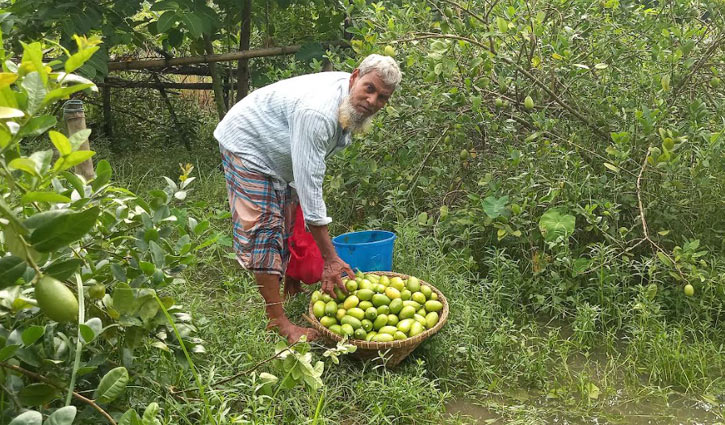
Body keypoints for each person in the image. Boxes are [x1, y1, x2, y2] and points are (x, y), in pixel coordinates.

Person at [214, 54, 402, 343]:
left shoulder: (345, 103)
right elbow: (310, 184)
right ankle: (277, 322)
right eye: (369, 88)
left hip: (279, 150)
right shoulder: (318, 112)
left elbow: (308, 178)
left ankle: (289, 282)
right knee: (266, 228)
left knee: (291, 218)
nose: (373, 101)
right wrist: (330, 259)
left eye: (382, 97)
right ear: (354, 78)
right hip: (248, 143)